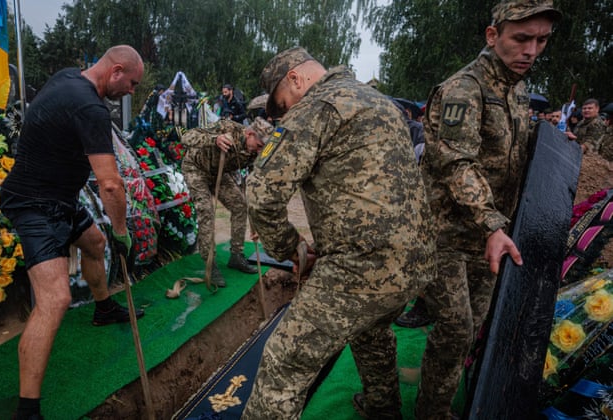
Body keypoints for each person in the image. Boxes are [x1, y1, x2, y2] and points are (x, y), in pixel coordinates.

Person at [241, 46, 436, 419]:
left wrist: (291, 248)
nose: (283, 114)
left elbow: (262, 194)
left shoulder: (318, 106)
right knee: (372, 332)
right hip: (415, 261)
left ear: (295, 79)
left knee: (285, 361)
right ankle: (383, 408)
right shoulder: (378, 100)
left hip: (362, 266)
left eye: (281, 105)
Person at [416, 1, 561, 418]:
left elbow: (507, 154)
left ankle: (445, 401)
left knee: (473, 327)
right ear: (492, 36)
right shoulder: (463, 88)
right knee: (455, 329)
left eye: (542, 40)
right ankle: (432, 412)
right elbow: (456, 162)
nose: (531, 50)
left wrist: (552, 146)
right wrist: (495, 224)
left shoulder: (516, 90)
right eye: (521, 38)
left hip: (487, 239)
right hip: (443, 235)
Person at [0, 45, 145, 420]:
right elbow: (110, 185)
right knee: (55, 299)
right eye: (131, 83)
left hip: (59, 196)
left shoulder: (68, 76)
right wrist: (121, 232)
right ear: (115, 71)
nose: (132, 91)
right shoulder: (91, 108)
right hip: (32, 202)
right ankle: (26, 409)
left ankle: (103, 308)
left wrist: (107, 234)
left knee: (93, 244)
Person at [181, 117, 274, 287]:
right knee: (206, 211)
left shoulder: (256, 152)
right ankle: (210, 263)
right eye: (259, 146)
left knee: (240, 206)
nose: (260, 152)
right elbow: (187, 137)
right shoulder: (227, 127)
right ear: (250, 133)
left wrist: (257, 220)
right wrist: (214, 139)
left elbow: (255, 181)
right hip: (196, 168)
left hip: (220, 173)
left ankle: (236, 255)